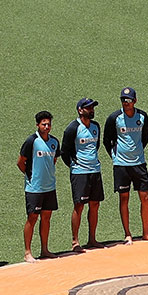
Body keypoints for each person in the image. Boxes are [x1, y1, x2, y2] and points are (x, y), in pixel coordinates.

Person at [104, 88, 148, 243]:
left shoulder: (142, 116)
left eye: (128, 100)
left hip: (139, 163)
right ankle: (127, 234)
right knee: (124, 198)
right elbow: (107, 140)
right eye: (123, 100)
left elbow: (145, 137)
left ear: (135, 101)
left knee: (145, 197)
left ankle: (146, 233)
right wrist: (115, 156)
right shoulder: (114, 117)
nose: (126, 103)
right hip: (121, 165)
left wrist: (137, 152)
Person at [62, 98, 104, 250]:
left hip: (95, 170)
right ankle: (75, 242)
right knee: (79, 206)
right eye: (88, 108)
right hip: (80, 172)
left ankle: (92, 239)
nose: (91, 110)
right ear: (80, 110)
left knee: (95, 204)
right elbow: (65, 151)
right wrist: (75, 165)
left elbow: (96, 146)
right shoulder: (72, 128)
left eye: (92, 108)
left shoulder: (96, 126)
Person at [18, 111, 61, 262]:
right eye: (44, 124)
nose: (47, 127)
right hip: (34, 188)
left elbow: (54, 160)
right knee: (32, 218)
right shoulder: (31, 141)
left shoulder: (54, 141)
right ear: (37, 125)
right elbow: (21, 162)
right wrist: (31, 176)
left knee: (46, 218)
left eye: (48, 124)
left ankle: (44, 249)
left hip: (49, 186)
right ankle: (27, 252)